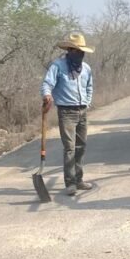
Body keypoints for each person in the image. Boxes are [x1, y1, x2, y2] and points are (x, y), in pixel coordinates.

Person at [41, 32, 95, 196]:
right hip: (66, 112)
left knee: (81, 146)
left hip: (82, 110)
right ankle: (70, 183)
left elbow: (89, 87)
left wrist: (87, 102)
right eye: (77, 51)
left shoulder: (86, 68)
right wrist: (47, 95)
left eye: (82, 51)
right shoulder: (57, 66)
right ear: (70, 50)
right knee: (70, 148)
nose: (80, 54)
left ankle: (79, 180)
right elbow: (47, 83)